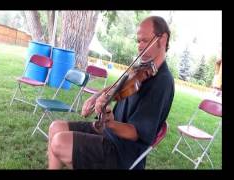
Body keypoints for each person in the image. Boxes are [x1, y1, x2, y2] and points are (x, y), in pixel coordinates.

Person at [47, 16, 175, 169]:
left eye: (145, 41)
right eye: (138, 41)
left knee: (59, 142)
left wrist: (110, 123)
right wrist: (96, 97)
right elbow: (116, 88)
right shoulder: (141, 69)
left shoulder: (162, 83)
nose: (140, 46)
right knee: (55, 127)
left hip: (122, 151)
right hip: (108, 132)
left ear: (163, 39)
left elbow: (136, 133)